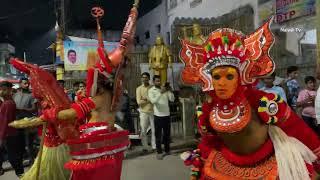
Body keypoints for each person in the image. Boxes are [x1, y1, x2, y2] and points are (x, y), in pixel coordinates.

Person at [179, 18, 320, 179]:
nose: (222, 83)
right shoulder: (210, 109)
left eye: (229, 76)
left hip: (270, 164)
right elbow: (209, 142)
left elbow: (297, 128)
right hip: (226, 166)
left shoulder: (261, 101)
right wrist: (200, 164)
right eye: (217, 77)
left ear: (241, 77)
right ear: (209, 79)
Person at [0, 81, 24, 177]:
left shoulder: (8, 103)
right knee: (14, 157)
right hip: (9, 133)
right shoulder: (7, 103)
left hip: (10, 134)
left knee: (14, 158)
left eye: (4, 89)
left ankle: (21, 175)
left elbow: (6, 121)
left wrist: (1, 137)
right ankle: (21, 174)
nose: (2, 91)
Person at [148, 76, 175, 160]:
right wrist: (161, 92)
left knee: (167, 135)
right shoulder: (151, 90)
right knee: (158, 135)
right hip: (158, 116)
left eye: (159, 81)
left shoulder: (165, 89)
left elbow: (172, 99)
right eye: (157, 81)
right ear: (153, 82)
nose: (158, 82)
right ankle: (159, 152)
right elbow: (153, 101)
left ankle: (167, 150)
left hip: (167, 115)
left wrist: (169, 91)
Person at [13, 78, 38, 164]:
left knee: (29, 143)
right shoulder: (15, 95)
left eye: (28, 83)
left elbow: (35, 109)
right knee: (19, 143)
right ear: (20, 84)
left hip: (28, 122)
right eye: (25, 83)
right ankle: (20, 161)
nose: (27, 85)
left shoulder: (32, 95)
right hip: (17, 122)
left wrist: (24, 109)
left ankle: (32, 161)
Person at [136, 72, 156, 153]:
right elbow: (138, 102)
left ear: (149, 78)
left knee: (154, 130)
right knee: (143, 130)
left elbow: (155, 99)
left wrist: (144, 99)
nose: (144, 79)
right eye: (143, 77)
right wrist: (148, 99)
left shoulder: (153, 88)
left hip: (153, 111)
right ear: (141, 79)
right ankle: (145, 147)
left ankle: (154, 146)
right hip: (143, 112)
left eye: (146, 77)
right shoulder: (139, 89)